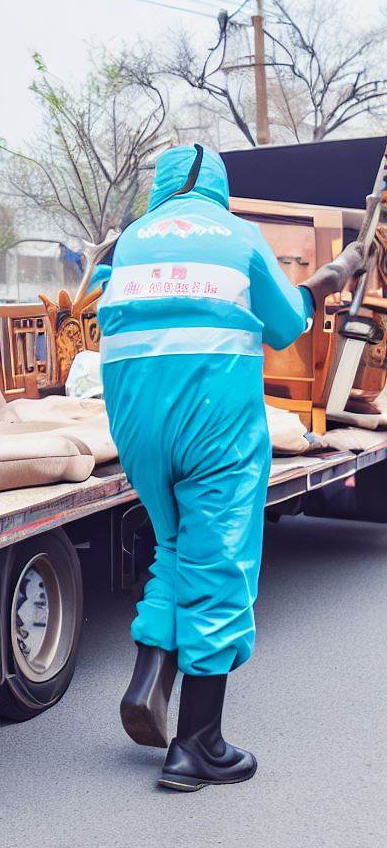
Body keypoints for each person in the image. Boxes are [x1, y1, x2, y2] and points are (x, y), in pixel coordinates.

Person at [97, 143, 365, 791]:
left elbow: (108, 309)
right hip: (212, 421)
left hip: (134, 421)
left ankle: (148, 680)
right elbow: (284, 325)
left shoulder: (128, 241)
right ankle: (197, 746)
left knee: (173, 544)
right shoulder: (240, 237)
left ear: (161, 188)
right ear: (217, 187)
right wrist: (332, 278)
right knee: (220, 562)